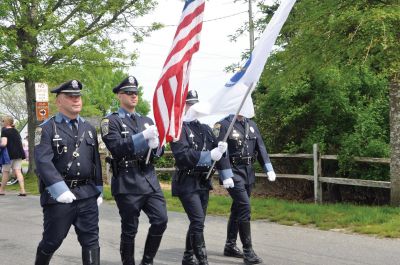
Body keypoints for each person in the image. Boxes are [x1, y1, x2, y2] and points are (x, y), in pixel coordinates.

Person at [34, 80, 103, 265]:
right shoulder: (45, 128)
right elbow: (42, 161)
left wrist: (98, 189)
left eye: (78, 96)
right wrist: (59, 189)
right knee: (52, 241)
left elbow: (95, 161)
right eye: (70, 96)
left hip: (87, 194)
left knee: (91, 241)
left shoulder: (88, 128)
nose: (76, 100)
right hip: (59, 197)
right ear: (58, 101)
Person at [101, 76, 167, 265]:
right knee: (130, 229)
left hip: (149, 179)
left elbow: (157, 152)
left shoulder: (146, 120)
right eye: (129, 93)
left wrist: (156, 147)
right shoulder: (110, 121)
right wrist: (142, 137)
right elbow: (117, 147)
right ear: (119, 96)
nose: (133, 96)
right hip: (127, 181)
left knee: (161, 220)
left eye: (135, 93)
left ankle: (147, 261)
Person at [170, 90, 230, 265]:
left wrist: (225, 172)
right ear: (183, 106)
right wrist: (209, 155)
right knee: (197, 220)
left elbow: (218, 154)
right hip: (186, 182)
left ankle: (188, 256)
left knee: (198, 221)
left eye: (195, 103)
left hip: (203, 181)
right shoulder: (177, 129)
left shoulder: (204, 128)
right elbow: (183, 155)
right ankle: (202, 260)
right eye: (189, 104)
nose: (193, 107)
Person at [214, 114, 277, 265]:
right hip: (233, 172)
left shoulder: (251, 124)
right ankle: (248, 251)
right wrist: (226, 173)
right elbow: (219, 150)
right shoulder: (223, 125)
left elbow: (260, 146)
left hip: (248, 172)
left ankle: (230, 245)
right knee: (244, 206)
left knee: (237, 208)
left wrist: (268, 168)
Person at [0, 116, 27, 196]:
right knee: (18, 171)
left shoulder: (4, 131)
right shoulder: (16, 131)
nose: (2, 122)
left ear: (6, 122)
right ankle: (23, 190)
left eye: (2, 121)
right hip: (18, 154)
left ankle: (1, 190)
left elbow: (4, 143)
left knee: (5, 172)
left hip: (8, 155)